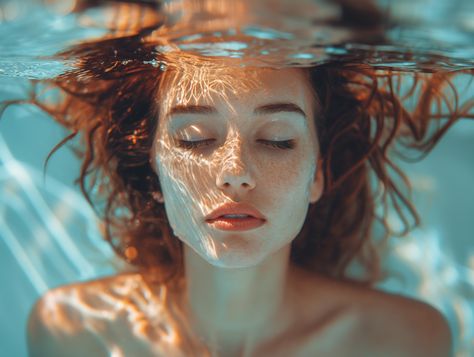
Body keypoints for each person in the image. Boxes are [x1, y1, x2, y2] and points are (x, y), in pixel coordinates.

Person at [18, 25, 470, 356]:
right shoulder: (71, 330)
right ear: (152, 172)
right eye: (194, 138)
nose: (235, 173)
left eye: (277, 139)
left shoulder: (406, 340)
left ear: (318, 174)